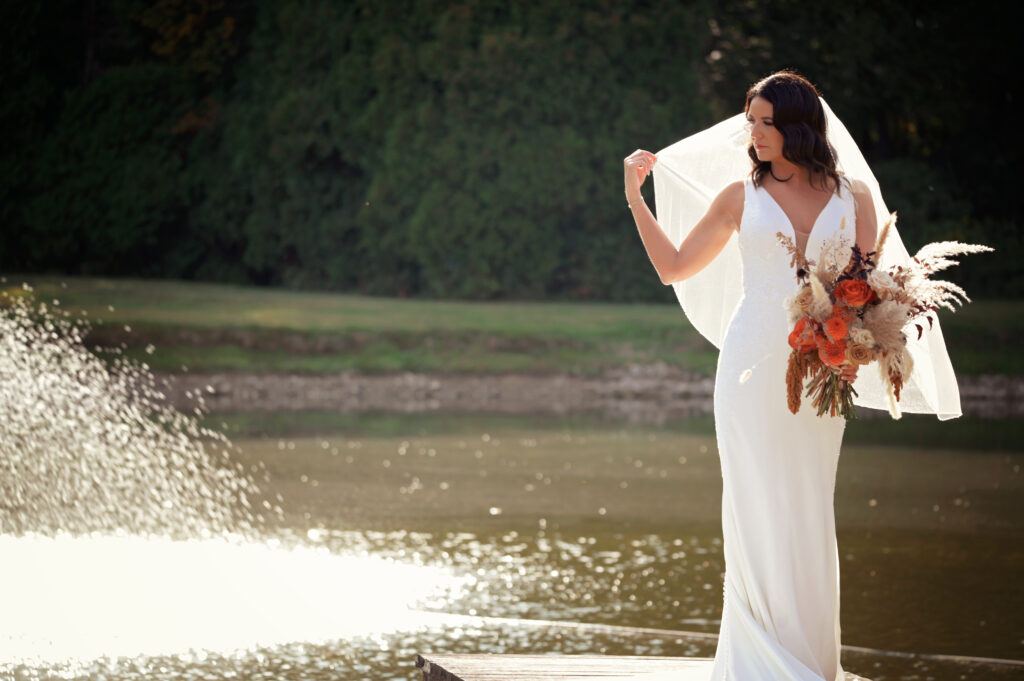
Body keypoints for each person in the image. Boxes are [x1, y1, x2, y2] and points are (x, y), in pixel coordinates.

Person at [623, 71, 887, 681]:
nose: (755, 132)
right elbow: (673, 268)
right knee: (754, 503)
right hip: (748, 370)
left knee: (808, 504)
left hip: (822, 371)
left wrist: (849, 340)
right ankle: (757, 660)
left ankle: (808, 656)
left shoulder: (858, 200)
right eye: (752, 120)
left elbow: (864, 296)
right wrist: (636, 199)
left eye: (767, 121)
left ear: (799, 126)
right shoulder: (741, 196)